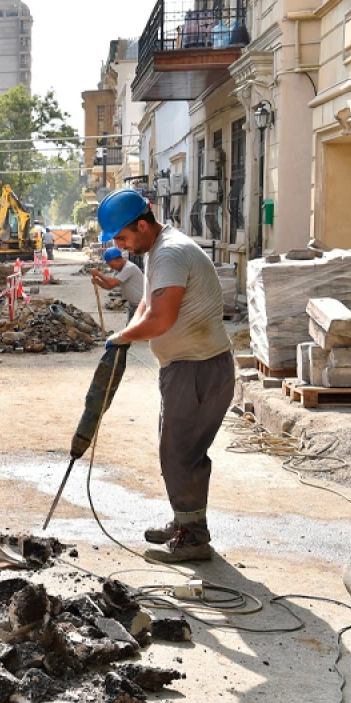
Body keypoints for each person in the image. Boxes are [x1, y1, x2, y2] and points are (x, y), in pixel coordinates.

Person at [98, 189, 234, 563]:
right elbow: (146, 304)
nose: (121, 247)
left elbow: (160, 319)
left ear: (143, 225)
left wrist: (123, 336)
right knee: (176, 449)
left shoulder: (171, 253)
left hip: (198, 370)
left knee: (181, 454)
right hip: (188, 367)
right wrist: (127, 335)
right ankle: (184, 523)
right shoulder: (159, 250)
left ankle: (193, 539)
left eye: (123, 238)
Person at [90, 247, 144, 322]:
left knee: (134, 331)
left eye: (112, 265)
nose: (112, 267)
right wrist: (98, 282)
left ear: (118, 260)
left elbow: (112, 282)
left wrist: (98, 274)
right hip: (134, 305)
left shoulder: (130, 267)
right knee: (131, 330)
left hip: (142, 305)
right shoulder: (119, 270)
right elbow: (110, 286)